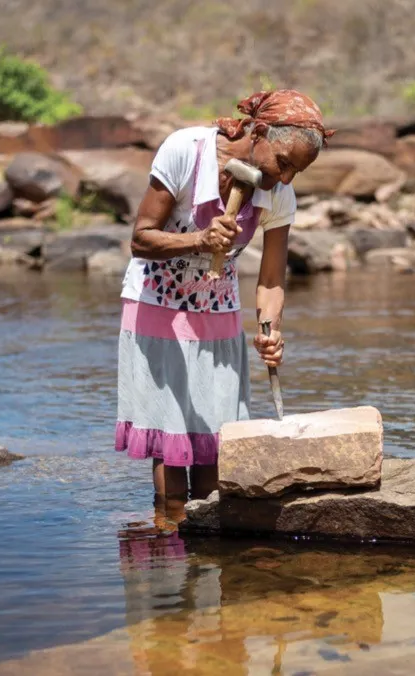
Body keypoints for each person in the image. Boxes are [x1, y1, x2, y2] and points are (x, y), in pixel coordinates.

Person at [115, 89, 334, 504]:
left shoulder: (278, 194)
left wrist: (270, 329)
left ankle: (210, 558)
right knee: (172, 446)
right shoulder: (185, 150)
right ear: (260, 131)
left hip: (217, 308)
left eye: (295, 173)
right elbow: (140, 238)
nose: (285, 179)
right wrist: (200, 239)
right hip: (155, 305)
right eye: (283, 163)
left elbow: (271, 279)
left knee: (217, 448)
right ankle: (170, 549)